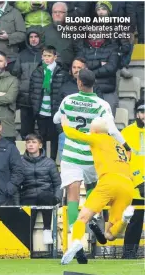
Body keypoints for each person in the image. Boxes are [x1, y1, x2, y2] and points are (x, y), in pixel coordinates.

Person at [53, 68, 131, 263]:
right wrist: (125, 145)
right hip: (93, 157)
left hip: (71, 153)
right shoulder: (102, 104)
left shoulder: (68, 100)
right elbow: (111, 129)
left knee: (72, 193)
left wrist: (64, 122)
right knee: (93, 189)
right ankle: (94, 219)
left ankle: (74, 238)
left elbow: (57, 119)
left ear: (79, 82)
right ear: (94, 83)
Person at [60, 115, 135, 265]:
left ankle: (76, 242)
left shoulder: (98, 138)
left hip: (109, 181)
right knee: (110, 235)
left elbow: (73, 135)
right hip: (127, 185)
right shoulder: (118, 145)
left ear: (94, 130)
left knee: (82, 218)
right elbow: (129, 154)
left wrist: (64, 123)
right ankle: (125, 220)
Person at [120, 100, 145, 259]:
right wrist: (139, 182)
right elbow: (123, 160)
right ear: (137, 113)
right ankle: (129, 254)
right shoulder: (126, 132)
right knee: (135, 222)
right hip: (136, 186)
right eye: (142, 111)